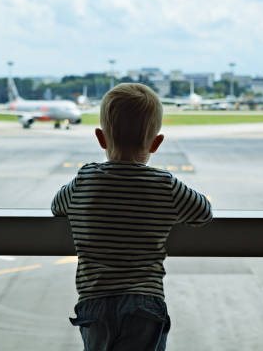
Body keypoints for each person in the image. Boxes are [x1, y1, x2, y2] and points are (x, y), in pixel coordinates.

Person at [51, 83, 213, 351]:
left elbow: (57, 206)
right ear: (156, 143)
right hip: (144, 301)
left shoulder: (85, 179)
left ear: (101, 138)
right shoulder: (164, 184)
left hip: (95, 301)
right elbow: (203, 213)